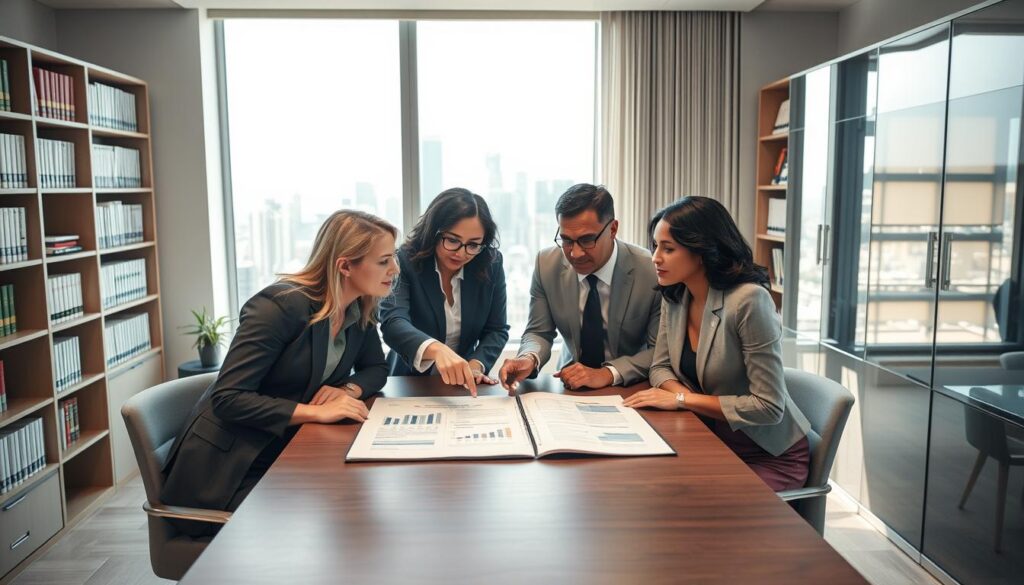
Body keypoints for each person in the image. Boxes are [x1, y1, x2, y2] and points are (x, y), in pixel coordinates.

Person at [161, 210, 398, 534]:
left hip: (284, 451)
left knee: (361, 503)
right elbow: (228, 398)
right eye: (384, 261)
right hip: (229, 471)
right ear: (345, 266)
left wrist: (347, 391)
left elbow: (376, 368)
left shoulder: (359, 305)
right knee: (339, 513)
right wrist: (317, 412)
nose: (395, 270)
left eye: (393, 258)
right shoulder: (279, 306)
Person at [624, 196, 811, 491]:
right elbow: (659, 368)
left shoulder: (749, 300)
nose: (655, 258)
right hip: (712, 438)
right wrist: (678, 397)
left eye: (668, 249)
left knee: (691, 505)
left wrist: (681, 400)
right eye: (655, 246)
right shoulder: (675, 295)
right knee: (648, 487)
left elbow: (769, 406)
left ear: (702, 251)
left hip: (766, 454)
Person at [499, 183, 661, 391]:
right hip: (571, 386)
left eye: (586, 240)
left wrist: (607, 373)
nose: (575, 253)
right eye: (566, 240)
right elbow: (539, 331)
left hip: (631, 386)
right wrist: (528, 358)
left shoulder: (649, 270)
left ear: (612, 229)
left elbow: (659, 350)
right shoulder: (546, 264)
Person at [380, 188, 509, 395]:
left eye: (473, 244)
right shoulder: (405, 260)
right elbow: (393, 322)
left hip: (463, 387)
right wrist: (437, 350)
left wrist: (476, 365)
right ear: (433, 232)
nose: (461, 253)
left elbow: (496, 329)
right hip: (409, 384)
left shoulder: (490, 263)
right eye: (452, 240)